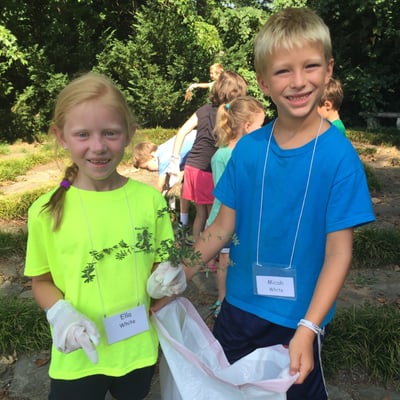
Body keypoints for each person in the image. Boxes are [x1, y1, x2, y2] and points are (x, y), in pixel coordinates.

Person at [181, 8, 375, 399]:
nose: (299, 81)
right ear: (263, 82)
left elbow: (339, 254)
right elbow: (220, 228)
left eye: (311, 66)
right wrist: (177, 276)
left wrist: (310, 326)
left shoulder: (340, 158)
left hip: (300, 318)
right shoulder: (248, 150)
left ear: (329, 69)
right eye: (283, 71)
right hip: (239, 307)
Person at [24, 72, 177, 400]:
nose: (97, 146)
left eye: (110, 133)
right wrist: (59, 312)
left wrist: (168, 280)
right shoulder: (45, 211)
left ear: (128, 135)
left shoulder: (149, 200)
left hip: (137, 350)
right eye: (82, 134)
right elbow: (41, 281)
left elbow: (161, 264)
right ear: (61, 136)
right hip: (79, 355)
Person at [167, 70, 248, 241]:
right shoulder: (229, 114)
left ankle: (197, 252)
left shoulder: (203, 110)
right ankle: (211, 252)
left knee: (200, 214)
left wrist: (174, 161)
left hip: (191, 168)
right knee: (214, 216)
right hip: (208, 171)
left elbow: (181, 132)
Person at [207, 96, 265, 318]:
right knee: (225, 259)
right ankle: (222, 299)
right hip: (226, 220)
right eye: (260, 126)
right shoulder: (224, 156)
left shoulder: (251, 153)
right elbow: (226, 195)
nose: (263, 131)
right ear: (248, 126)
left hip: (245, 219)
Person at [133, 130, 197, 226]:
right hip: (196, 148)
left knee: (188, 189)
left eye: (147, 167)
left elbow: (159, 187)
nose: (148, 171)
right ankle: (183, 221)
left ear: (153, 156)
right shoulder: (163, 150)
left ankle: (186, 222)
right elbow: (167, 186)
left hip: (201, 148)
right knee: (184, 189)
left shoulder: (163, 158)